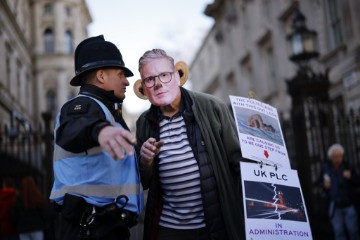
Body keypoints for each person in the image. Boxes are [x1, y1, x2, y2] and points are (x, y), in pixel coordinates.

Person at [133, 49, 246, 240]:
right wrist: (145, 161)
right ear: (144, 88)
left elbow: (240, 164)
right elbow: (143, 181)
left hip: (215, 227)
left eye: (164, 75)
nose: (159, 84)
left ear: (177, 76)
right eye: (150, 79)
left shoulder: (212, 107)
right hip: (169, 230)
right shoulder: (144, 122)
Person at [49, 35, 143, 240]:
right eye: (120, 74)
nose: (127, 81)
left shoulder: (108, 111)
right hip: (90, 227)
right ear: (101, 76)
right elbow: (73, 128)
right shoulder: (83, 105)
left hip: (105, 224)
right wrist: (100, 130)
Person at [322, 143, 360, 240]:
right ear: (331, 157)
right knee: (338, 231)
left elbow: (357, 182)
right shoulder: (326, 168)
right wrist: (325, 186)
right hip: (335, 205)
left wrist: (350, 177)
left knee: (353, 229)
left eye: (340, 156)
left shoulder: (348, 166)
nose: (338, 159)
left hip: (348, 204)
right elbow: (321, 184)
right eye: (335, 157)